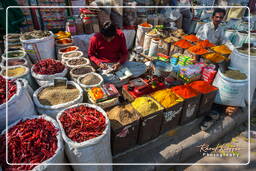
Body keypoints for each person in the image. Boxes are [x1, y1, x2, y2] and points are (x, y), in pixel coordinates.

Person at [88, 21, 146, 86]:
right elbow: (91, 54)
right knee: (105, 78)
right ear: (102, 34)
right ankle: (125, 77)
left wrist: (119, 63)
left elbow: (125, 53)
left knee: (142, 66)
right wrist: (99, 63)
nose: (108, 40)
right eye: (106, 38)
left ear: (115, 34)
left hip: (119, 63)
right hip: (105, 66)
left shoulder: (120, 35)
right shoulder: (95, 38)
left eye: (111, 38)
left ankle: (122, 78)